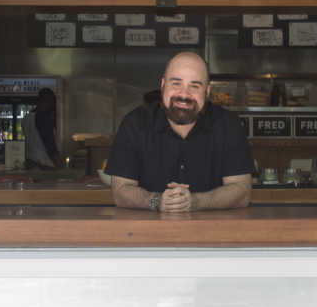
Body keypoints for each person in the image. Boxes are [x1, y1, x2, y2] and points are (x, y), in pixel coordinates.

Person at [105, 52, 254, 212]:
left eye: (195, 86)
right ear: (163, 85)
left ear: (207, 91)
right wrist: (157, 201)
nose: (184, 94)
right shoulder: (135, 124)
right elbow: (120, 191)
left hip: (214, 233)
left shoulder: (228, 125)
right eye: (176, 84)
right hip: (146, 233)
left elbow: (242, 192)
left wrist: (196, 201)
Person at [23, 87, 60, 169]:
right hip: (45, 165)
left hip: (30, 163)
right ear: (47, 101)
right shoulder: (43, 118)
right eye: (52, 102)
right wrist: (59, 165)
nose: (53, 106)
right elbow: (50, 145)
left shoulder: (26, 118)